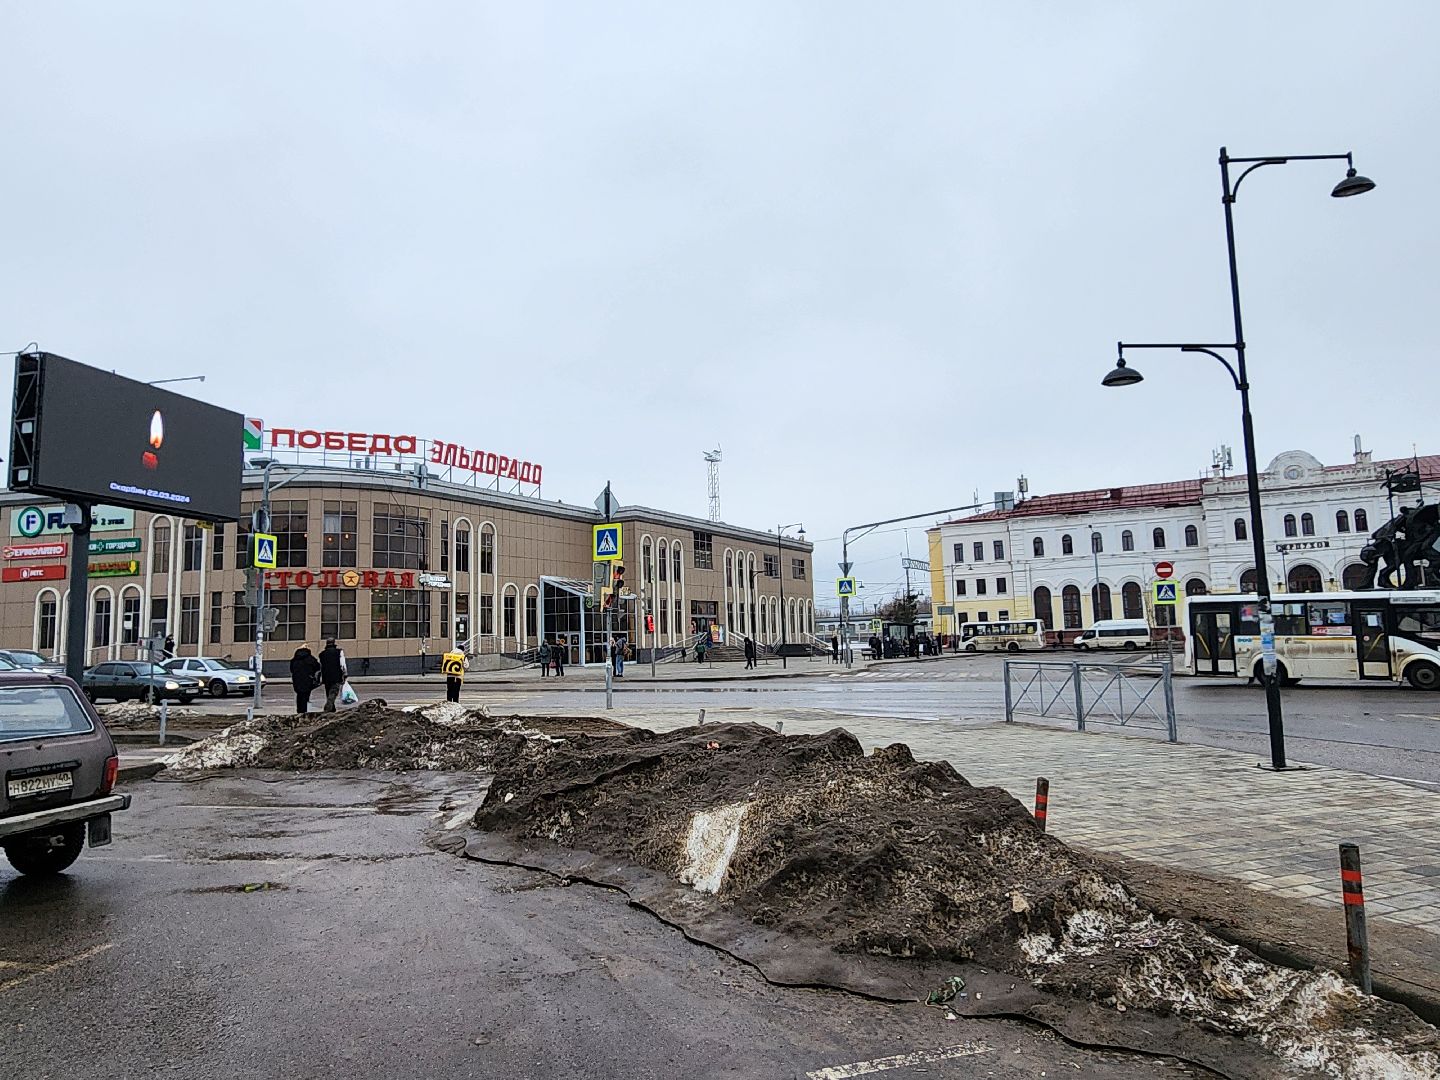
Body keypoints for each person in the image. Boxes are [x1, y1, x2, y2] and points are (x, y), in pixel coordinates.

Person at [289, 645, 321, 714]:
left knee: (299, 695)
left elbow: (291, 669)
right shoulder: (310, 659)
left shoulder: (295, 660)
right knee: (305, 695)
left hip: (297, 680)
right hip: (308, 679)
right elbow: (317, 667)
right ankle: (304, 711)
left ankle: (299, 710)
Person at [318, 637, 347, 712]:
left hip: (326, 676)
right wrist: (345, 674)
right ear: (334, 643)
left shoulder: (322, 654)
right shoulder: (339, 652)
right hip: (336, 676)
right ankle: (328, 708)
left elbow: (320, 666)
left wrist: (320, 677)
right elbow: (342, 664)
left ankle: (332, 709)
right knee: (333, 692)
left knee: (328, 693)